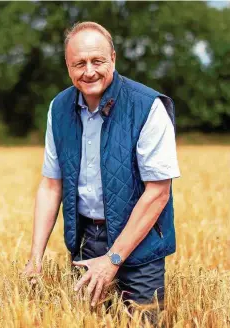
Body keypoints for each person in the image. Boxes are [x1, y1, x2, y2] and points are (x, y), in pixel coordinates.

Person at [21, 21, 180, 316]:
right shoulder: (59, 108)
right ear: (68, 67)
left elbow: (158, 193)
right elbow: (51, 185)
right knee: (87, 321)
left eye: (98, 61)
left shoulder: (148, 106)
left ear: (114, 59)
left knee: (142, 321)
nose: (89, 71)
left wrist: (113, 259)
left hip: (141, 245)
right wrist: (35, 257)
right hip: (86, 242)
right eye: (79, 63)